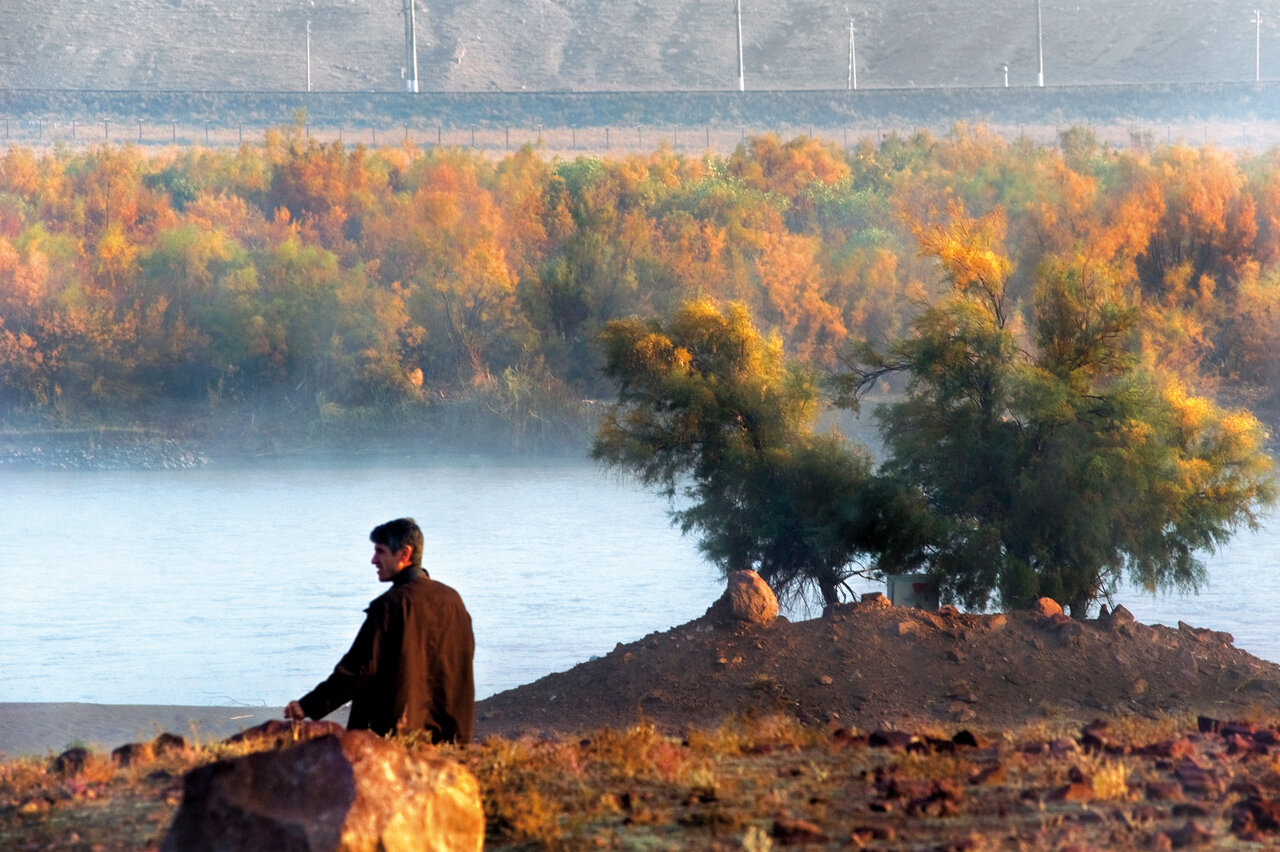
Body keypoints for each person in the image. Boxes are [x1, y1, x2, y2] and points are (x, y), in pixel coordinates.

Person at [284, 518, 475, 744]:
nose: (373, 560)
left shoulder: (389, 606)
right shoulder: (453, 600)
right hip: (450, 739)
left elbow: (358, 669)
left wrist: (307, 706)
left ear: (404, 554)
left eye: (380, 551)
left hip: (397, 741)